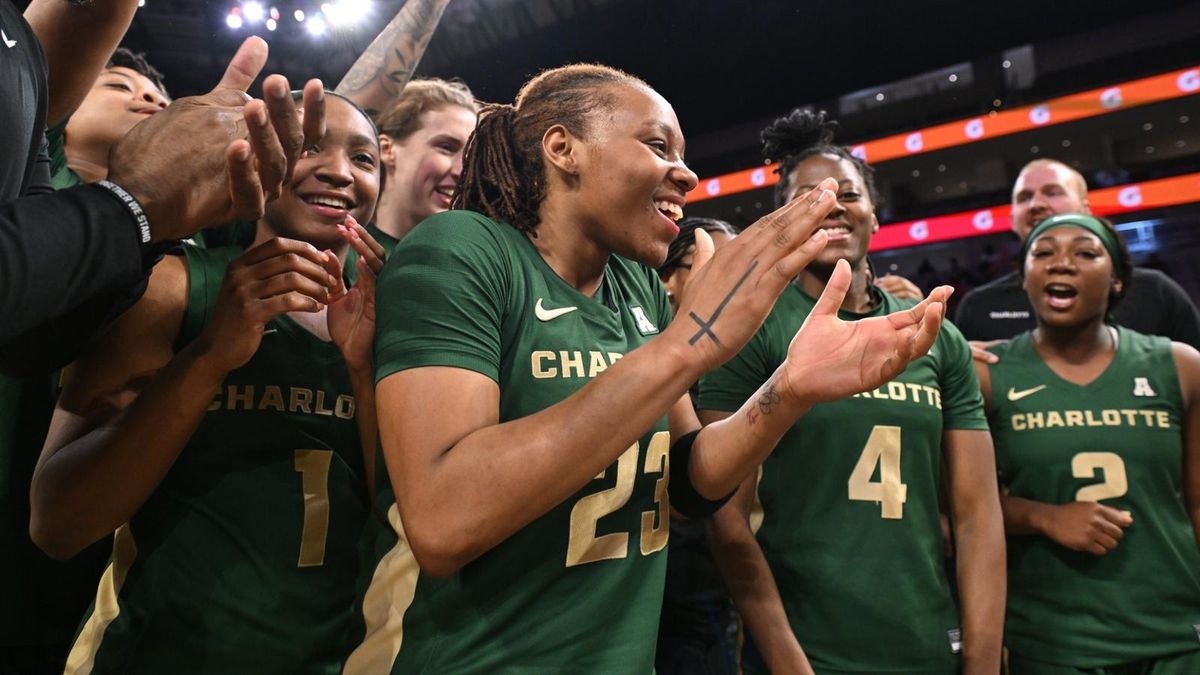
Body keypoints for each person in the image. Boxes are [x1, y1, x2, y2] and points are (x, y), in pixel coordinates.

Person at [344, 63, 951, 673]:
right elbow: (445, 519)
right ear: (563, 148)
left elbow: (686, 483)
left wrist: (786, 390)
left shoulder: (634, 284)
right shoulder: (460, 248)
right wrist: (691, 342)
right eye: (658, 145)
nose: (685, 173)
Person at [29, 92, 385, 674]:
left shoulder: (395, 315)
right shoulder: (173, 289)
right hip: (152, 655)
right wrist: (210, 357)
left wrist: (364, 371)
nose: (340, 171)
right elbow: (57, 522)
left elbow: (399, 520)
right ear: (262, 157)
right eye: (310, 147)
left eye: (364, 159)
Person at [701, 109, 1004, 675]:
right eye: (809, 196)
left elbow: (977, 518)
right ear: (782, 219)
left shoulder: (938, 337)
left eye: (848, 193)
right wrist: (789, 662)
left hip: (928, 645)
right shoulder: (748, 329)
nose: (832, 205)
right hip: (806, 652)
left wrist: (983, 663)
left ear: (875, 215)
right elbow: (725, 518)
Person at [0, 27, 326, 369]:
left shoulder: (207, 217)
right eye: (119, 86)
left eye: (163, 99)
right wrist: (134, 205)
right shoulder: (37, 160)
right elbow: (81, 26)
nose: (153, 100)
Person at [978, 212, 1200, 673]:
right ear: (1023, 279)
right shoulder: (986, 373)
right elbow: (956, 510)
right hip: (1051, 639)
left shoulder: (1180, 366)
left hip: (1174, 633)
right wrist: (1044, 516)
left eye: (1085, 252)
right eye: (1044, 253)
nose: (1062, 263)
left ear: (1118, 280)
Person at [954, 158, 1200, 357]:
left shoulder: (1155, 292)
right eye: (1024, 197)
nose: (1036, 204)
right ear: (1012, 219)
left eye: (1052, 192)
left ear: (1086, 209)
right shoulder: (979, 306)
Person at [656, 217, 740, 675]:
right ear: (667, 279)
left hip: (718, 586)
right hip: (665, 583)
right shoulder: (636, 347)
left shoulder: (753, 348)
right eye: (715, 265)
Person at [355, 77, 477, 258]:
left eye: (472, 157)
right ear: (388, 149)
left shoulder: (473, 270)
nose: (462, 172)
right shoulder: (334, 248)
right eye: (446, 147)